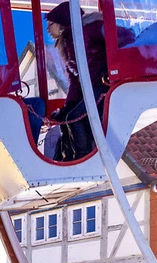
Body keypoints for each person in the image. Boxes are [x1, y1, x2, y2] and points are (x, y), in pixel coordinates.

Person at [45, 2, 116, 161]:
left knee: (76, 116)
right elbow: (76, 79)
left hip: (103, 86)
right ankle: (68, 156)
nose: (48, 29)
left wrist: (113, 69)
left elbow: (120, 36)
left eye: (51, 24)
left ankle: (83, 158)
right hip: (92, 88)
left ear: (63, 22)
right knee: (67, 117)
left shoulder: (89, 29)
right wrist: (67, 105)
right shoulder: (68, 41)